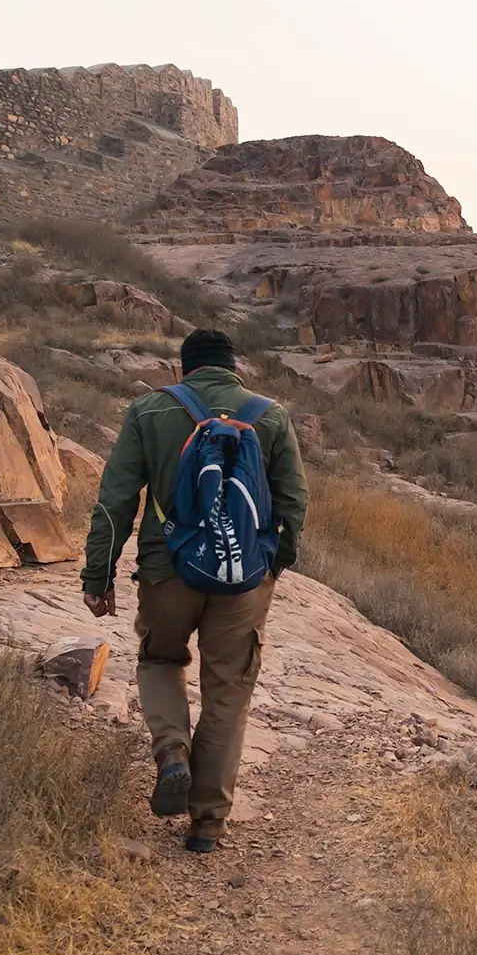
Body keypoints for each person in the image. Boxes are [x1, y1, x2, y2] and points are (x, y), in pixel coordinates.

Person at [81, 329, 308, 852]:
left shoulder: (148, 412)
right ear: (234, 369)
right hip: (243, 580)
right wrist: (273, 568)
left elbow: (114, 501)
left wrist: (100, 576)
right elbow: (293, 502)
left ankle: (173, 753)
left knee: (160, 660)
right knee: (228, 690)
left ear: (184, 370)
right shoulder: (269, 415)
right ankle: (207, 823)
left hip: (167, 571)